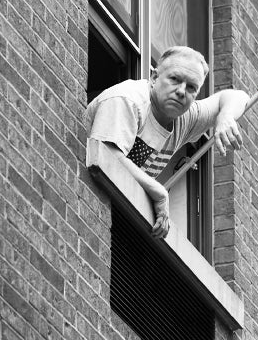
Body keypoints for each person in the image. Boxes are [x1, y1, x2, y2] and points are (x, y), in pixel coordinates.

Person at [85, 46, 249, 238]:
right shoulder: (129, 99)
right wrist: (158, 191)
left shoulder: (185, 117)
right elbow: (105, 154)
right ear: (154, 78)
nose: (181, 91)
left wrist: (225, 116)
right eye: (175, 79)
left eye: (191, 88)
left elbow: (239, 96)